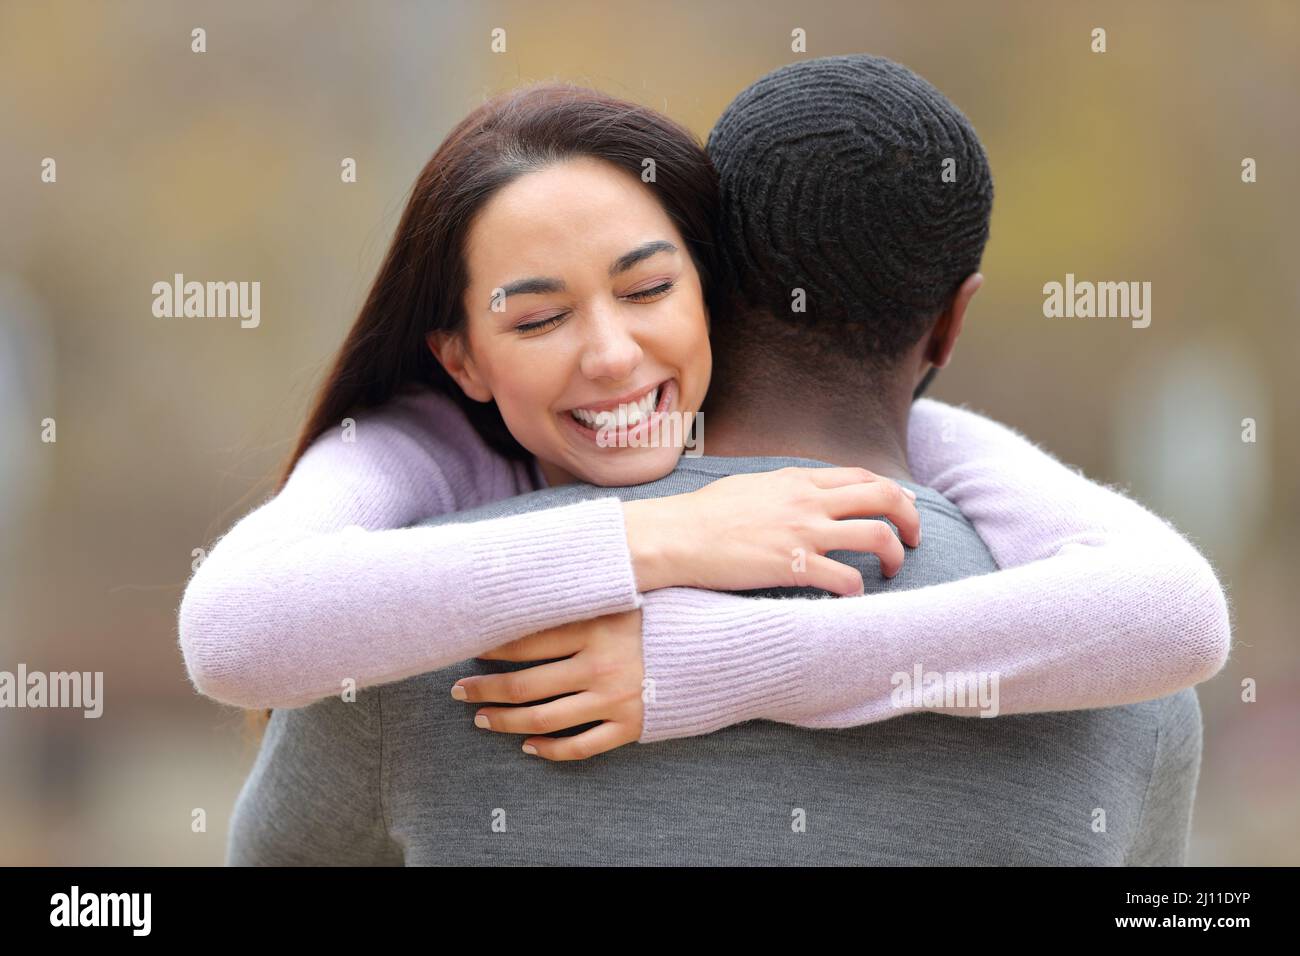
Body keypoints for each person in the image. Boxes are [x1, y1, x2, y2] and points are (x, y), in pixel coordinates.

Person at [185, 57, 1228, 864]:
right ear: (952, 324)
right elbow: (233, 624)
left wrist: (710, 660)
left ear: (710, 277)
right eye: (540, 313)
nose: (607, 352)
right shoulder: (1115, 683)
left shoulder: (409, 640)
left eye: (642, 290)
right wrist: (649, 540)